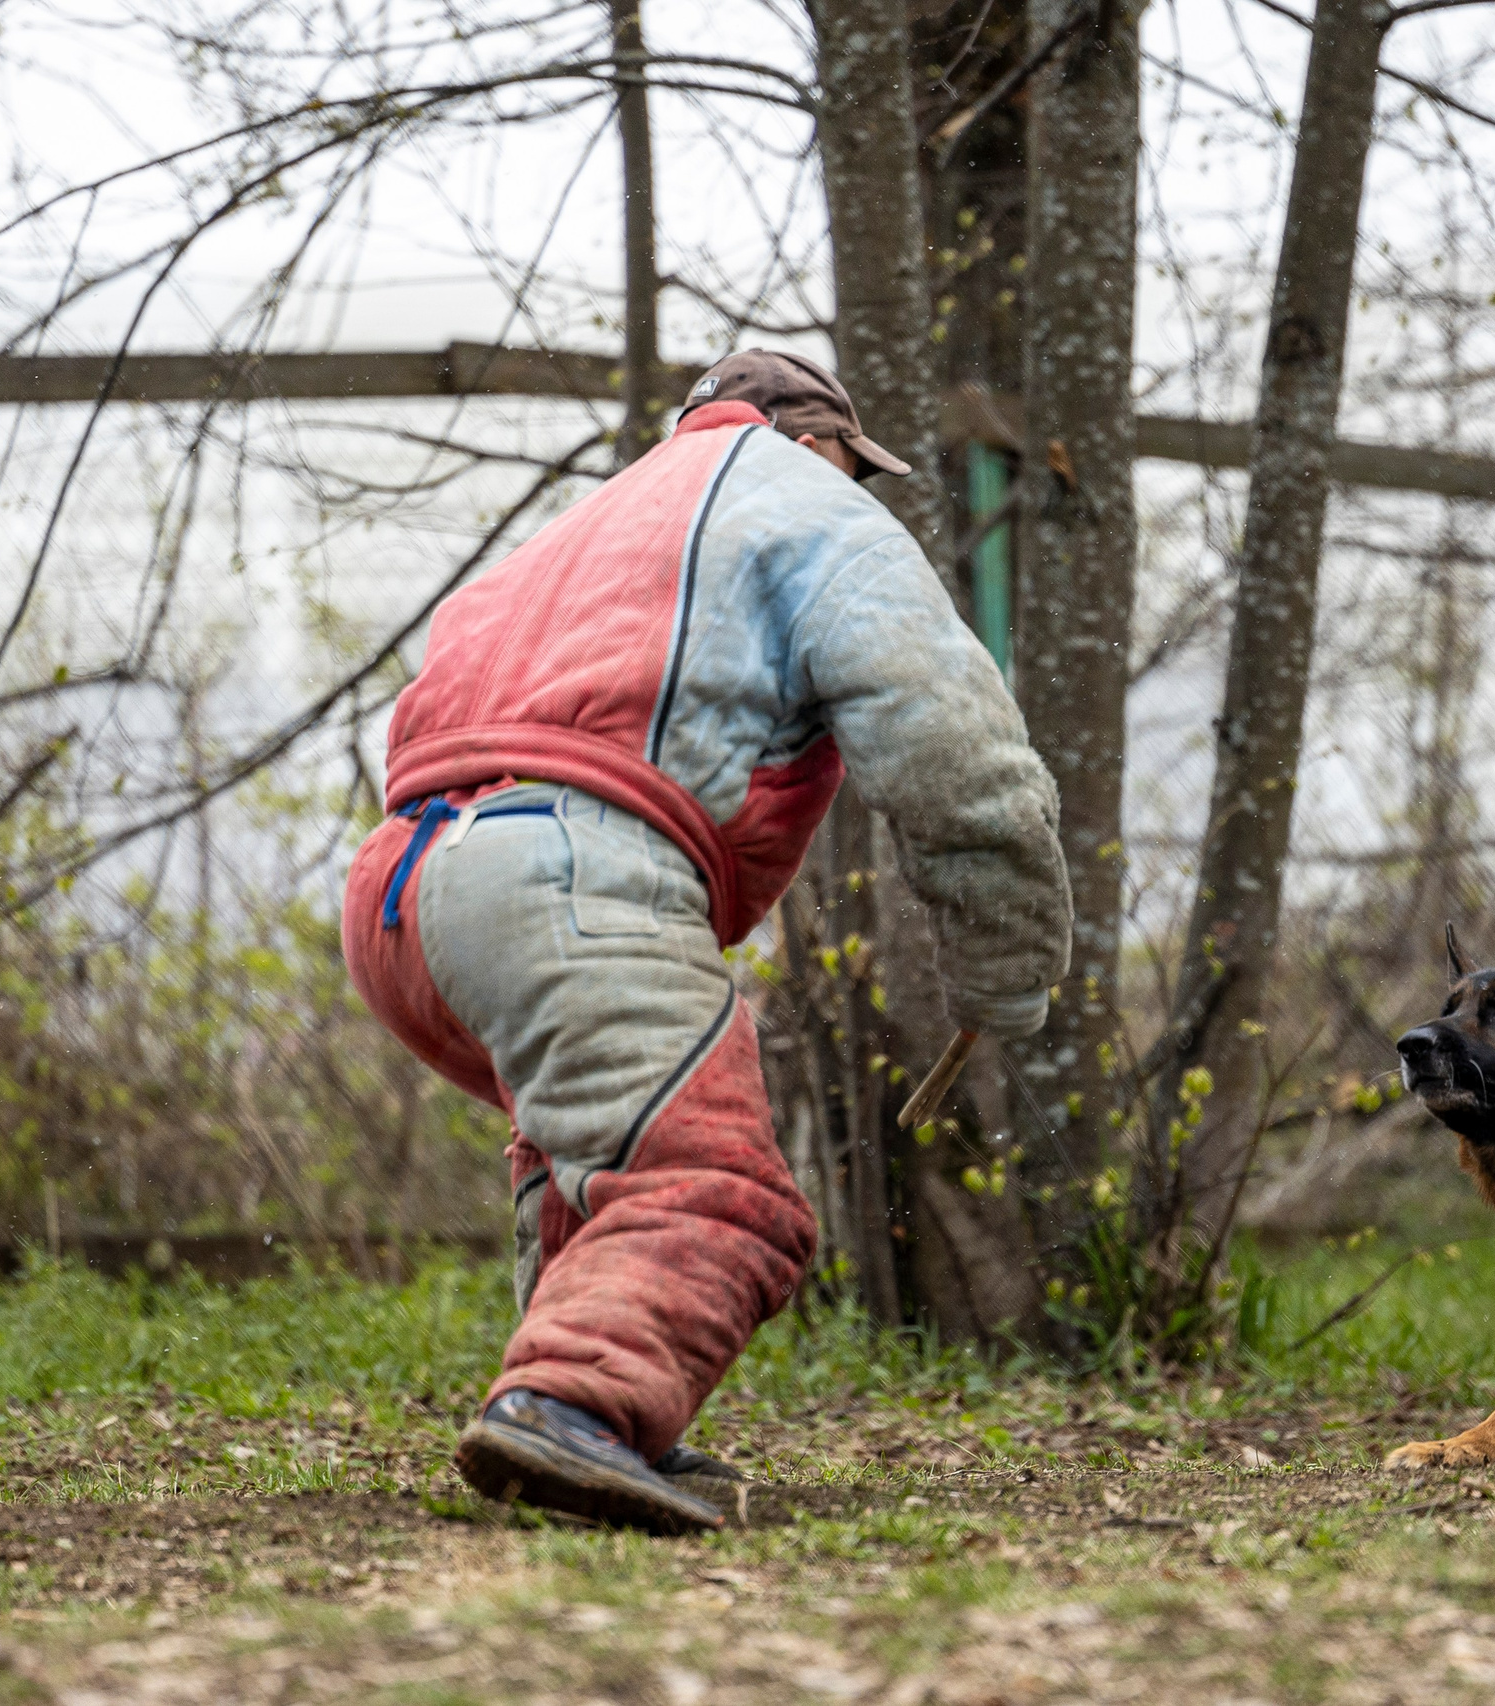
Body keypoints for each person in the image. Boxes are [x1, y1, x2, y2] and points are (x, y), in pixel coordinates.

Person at [340, 351, 1072, 1533]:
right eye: (857, 466)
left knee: (602, 1144)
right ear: (819, 442)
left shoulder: (578, 531)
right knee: (716, 1184)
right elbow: (959, 756)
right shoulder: (806, 504)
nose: (863, 488)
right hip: (570, 871)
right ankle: (568, 1404)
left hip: (405, 891)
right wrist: (1006, 963)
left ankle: (607, 1418)